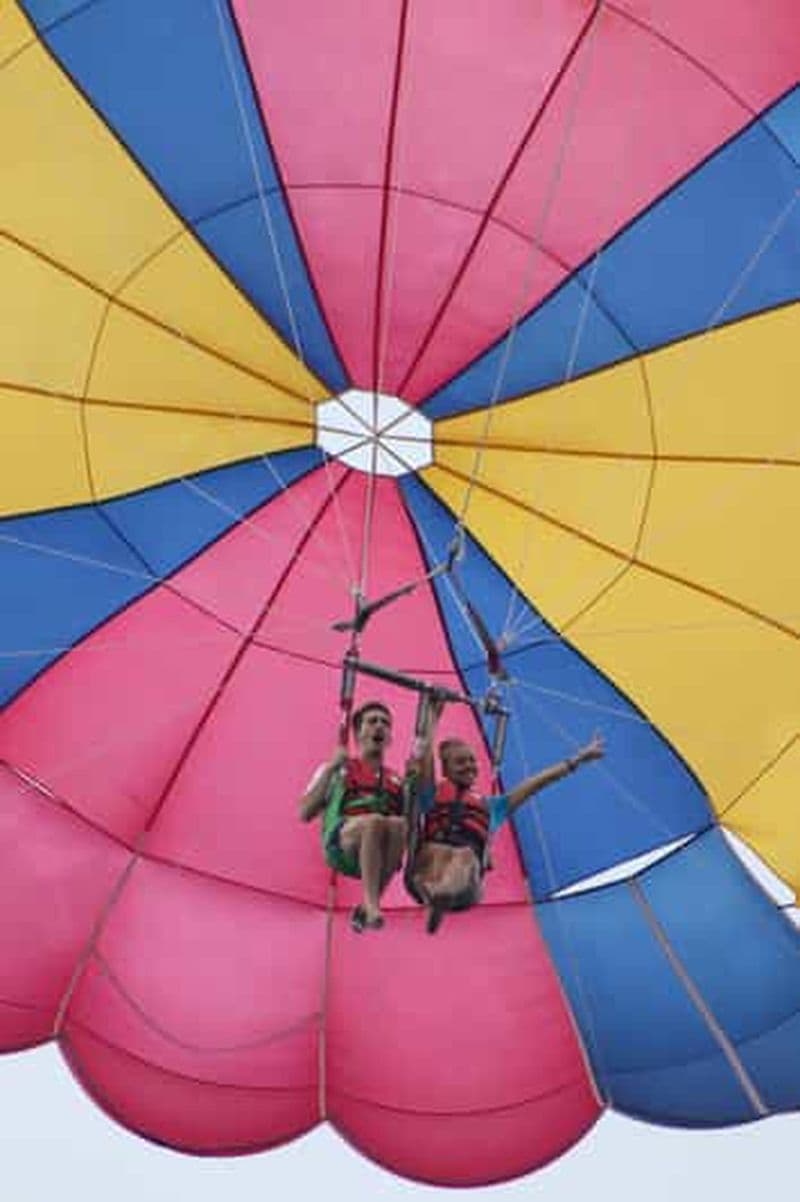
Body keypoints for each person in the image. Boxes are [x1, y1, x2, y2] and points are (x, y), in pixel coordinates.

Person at [409, 730, 604, 933]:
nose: (468, 766)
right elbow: (425, 758)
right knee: (435, 850)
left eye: (471, 761)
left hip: (464, 882)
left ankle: (442, 893)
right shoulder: (432, 795)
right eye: (460, 762)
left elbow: (536, 783)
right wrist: (432, 711)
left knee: (464, 855)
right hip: (431, 863)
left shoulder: (493, 807)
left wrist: (578, 759)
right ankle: (437, 894)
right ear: (445, 770)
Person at [299, 701, 407, 932]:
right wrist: (331, 768)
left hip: (378, 856)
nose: (379, 726)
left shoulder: (397, 781)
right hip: (341, 845)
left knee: (400, 824)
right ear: (358, 733)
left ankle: (368, 906)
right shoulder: (339, 769)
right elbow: (305, 813)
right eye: (372, 721)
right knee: (375, 821)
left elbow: (410, 831)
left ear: (390, 738)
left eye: (385, 723)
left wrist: (418, 779)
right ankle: (372, 903)